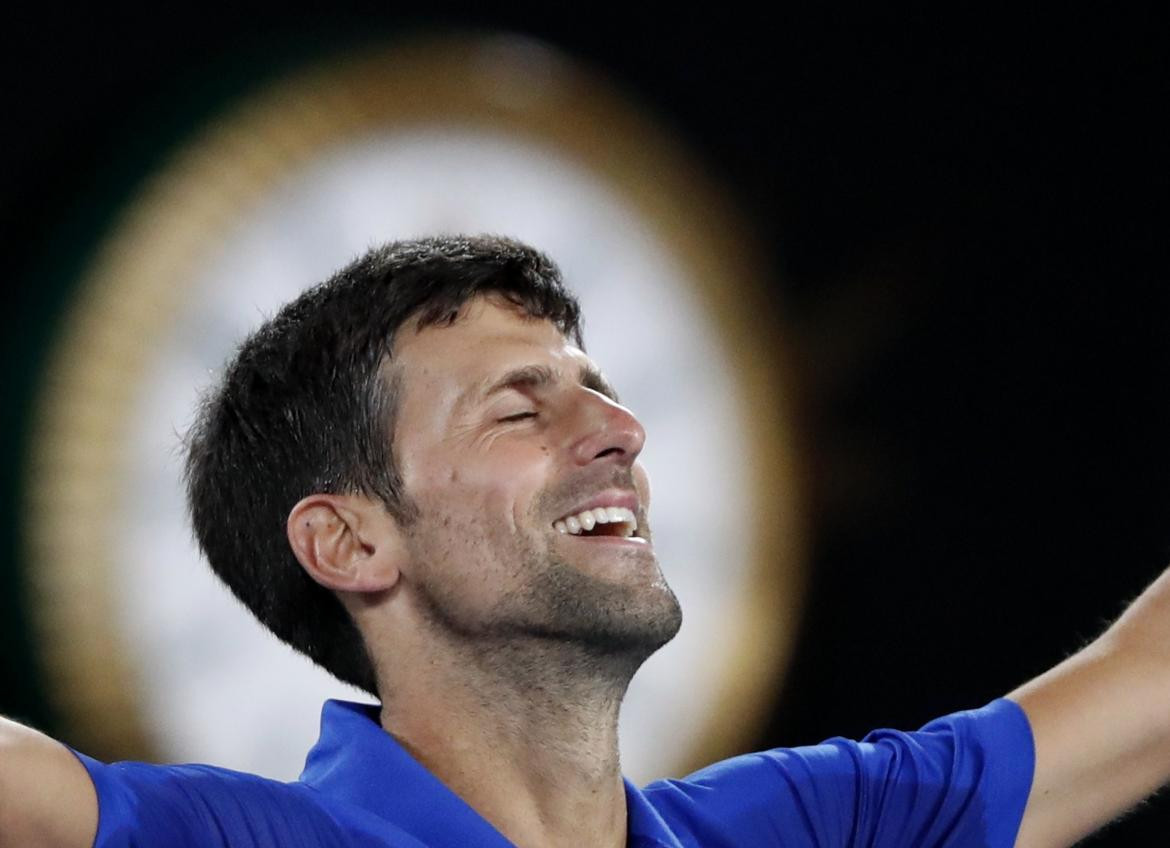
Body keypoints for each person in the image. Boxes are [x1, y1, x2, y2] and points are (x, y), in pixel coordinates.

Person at [0, 234, 1167, 848]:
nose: (618, 430)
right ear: (350, 540)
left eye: (599, 391)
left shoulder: (806, 825)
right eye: (520, 405)